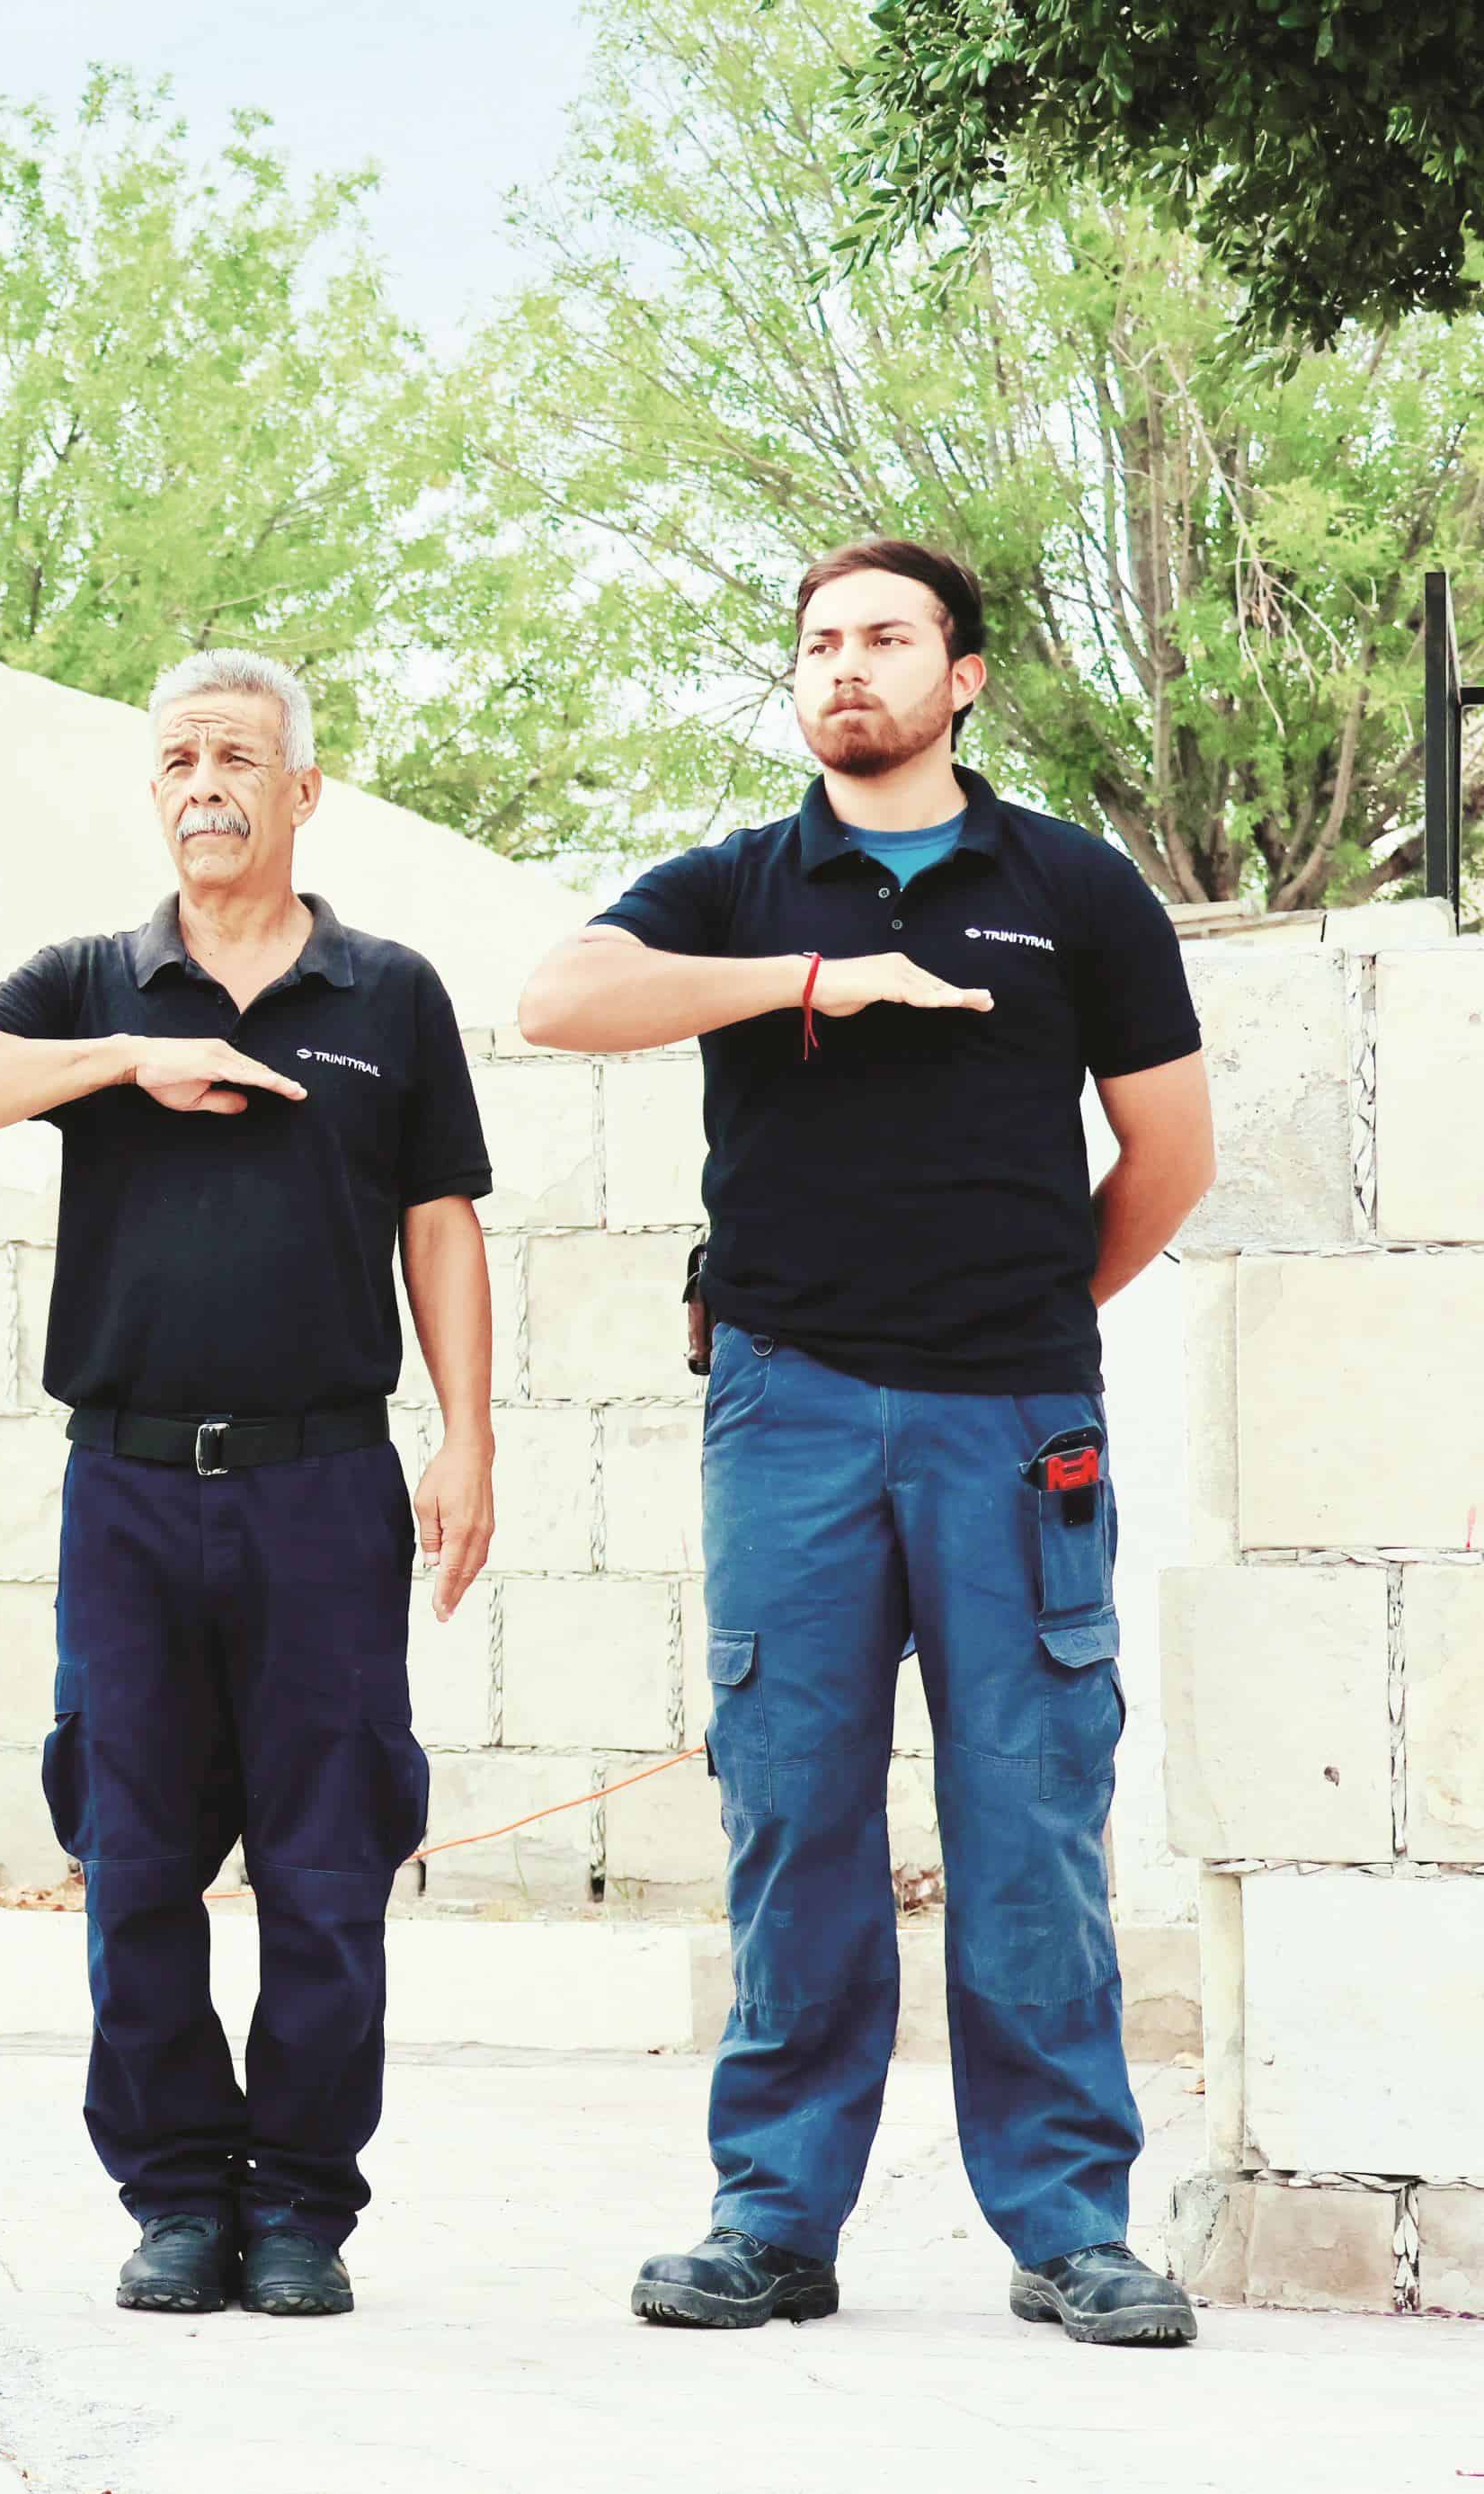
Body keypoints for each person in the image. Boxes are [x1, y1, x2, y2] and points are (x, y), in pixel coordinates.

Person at [520, 538, 1215, 2349]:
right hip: (789, 1408)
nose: (848, 666)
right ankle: (773, 2218)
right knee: (792, 1806)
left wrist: (1028, 1317)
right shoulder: (741, 886)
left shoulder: (1070, 886)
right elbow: (558, 999)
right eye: (822, 642)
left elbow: (1167, 1155)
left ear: (962, 674)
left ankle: (1070, 2227)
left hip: (1011, 1414)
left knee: (1028, 1816)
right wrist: (807, 983)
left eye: (887, 638)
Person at [0, 648, 493, 2321]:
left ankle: (298, 2203)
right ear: (153, 793)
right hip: (132, 1489)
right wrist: (119, 1061)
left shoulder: (391, 991)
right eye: (177, 758)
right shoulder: (94, 975)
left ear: (305, 791)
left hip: (326, 1484)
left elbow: (441, 1218)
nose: (204, 781)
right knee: (136, 1856)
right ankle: (173, 2196)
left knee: (328, 1857)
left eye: (238, 754)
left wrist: (472, 1434)